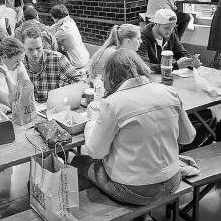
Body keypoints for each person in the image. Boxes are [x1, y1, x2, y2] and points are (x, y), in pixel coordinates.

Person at [71, 49, 195, 216]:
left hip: (132, 189)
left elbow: (95, 152)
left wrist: (92, 122)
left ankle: (83, 212)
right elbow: (188, 137)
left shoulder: (113, 103)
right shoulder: (169, 92)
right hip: (172, 180)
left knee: (79, 161)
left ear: (110, 76)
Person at [21, 25, 79, 103]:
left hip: (54, 107)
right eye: (30, 49)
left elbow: (78, 81)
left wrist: (61, 93)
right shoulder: (18, 63)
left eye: (38, 48)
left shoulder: (57, 58)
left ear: (43, 44)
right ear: (23, 47)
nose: (35, 53)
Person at [137, 9, 201, 73]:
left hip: (162, 75)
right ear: (157, 24)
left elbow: (180, 52)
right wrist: (174, 66)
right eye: (166, 28)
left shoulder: (170, 34)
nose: (170, 31)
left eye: (173, 27)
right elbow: (144, 66)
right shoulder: (141, 40)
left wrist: (191, 62)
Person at [49, 4, 90, 69]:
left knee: (50, 47)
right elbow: (54, 26)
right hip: (84, 56)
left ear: (56, 18)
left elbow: (49, 39)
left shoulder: (64, 30)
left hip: (75, 61)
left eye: (52, 18)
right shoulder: (70, 20)